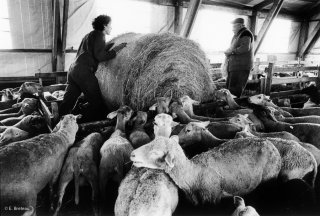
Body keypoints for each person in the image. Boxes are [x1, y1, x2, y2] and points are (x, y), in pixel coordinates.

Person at [59, 14, 126, 120]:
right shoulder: (100, 35)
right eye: (110, 25)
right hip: (84, 72)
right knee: (97, 102)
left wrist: (107, 47)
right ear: (104, 26)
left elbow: (91, 51)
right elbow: (99, 56)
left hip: (73, 70)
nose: (111, 27)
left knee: (68, 100)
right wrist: (115, 50)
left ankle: (59, 121)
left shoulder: (89, 35)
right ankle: (92, 124)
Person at [224, 18, 254, 98]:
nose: (232, 29)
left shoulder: (245, 33)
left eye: (234, 27)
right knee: (230, 87)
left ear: (240, 25)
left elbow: (245, 48)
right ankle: (229, 103)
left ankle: (233, 105)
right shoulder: (238, 34)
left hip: (241, 66)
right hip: (235, 66)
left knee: (235, 88)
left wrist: (232, 51)